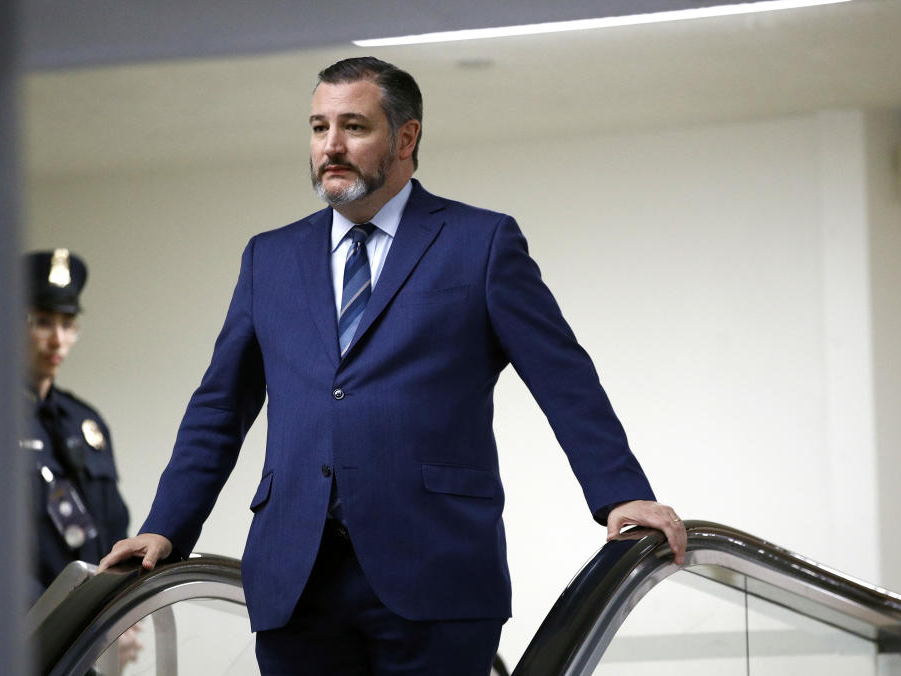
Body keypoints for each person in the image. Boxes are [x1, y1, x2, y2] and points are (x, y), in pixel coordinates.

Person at [100, 57, 686, 675]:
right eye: (318, 126)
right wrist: (165, 525)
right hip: (294, 581)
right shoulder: (268, 259)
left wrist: (622, 494)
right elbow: (220, 407)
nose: (330, 145)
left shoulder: (480, 243)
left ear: (405, 138)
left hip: (437, 573)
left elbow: (564, 378)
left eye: (353, 126)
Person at [21, 249, 130, 602]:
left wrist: (118, 612)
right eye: (42, 322)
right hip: (20, 628)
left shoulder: (85, 422)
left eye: (67, 325)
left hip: (87, 626)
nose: (57, 340)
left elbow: (113, 526)